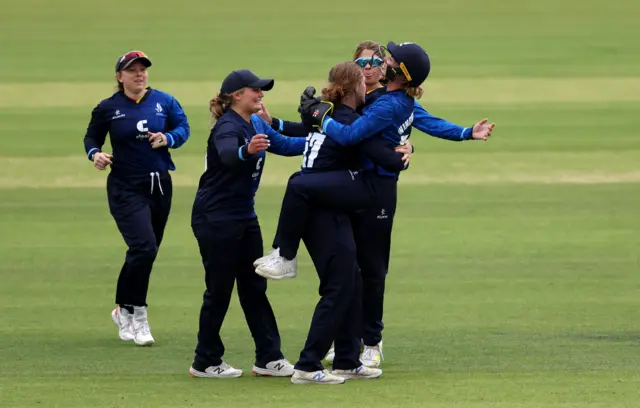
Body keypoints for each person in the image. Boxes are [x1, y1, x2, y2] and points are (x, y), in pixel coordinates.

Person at [265, 62, 407, 384]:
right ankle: (308, 365)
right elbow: (376, 150)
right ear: (356, 89)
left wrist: (273, 125)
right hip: (322, 212)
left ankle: (346, 360)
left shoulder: (325, 118)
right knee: (340, 286)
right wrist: (400, 155)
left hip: (329, 208)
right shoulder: (347, 122)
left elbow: (296, 140)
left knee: (352, 282)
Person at [187, 70, 307, 379]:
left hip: (243, 216)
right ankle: (205, 361)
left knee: (255, 286)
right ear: (237, 95)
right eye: (256, 90)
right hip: (215, 218)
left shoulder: (253, 122)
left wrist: (325, 141)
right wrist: (247, 150)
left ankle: (269, 358)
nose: (261, 95)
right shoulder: (227, 126)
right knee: (219, 290)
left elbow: (286, 145)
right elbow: (228, 155)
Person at [83, 50, 190, 346]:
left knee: (147, 250)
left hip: (159, 185)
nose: (139, 74)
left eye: (143, 70)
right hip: (124, 186)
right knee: (143, 245)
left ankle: (123, 308)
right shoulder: (108, 107)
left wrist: (168, 138)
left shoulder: (164, 101)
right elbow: (91, 138)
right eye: (132, 70)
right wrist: (96, 154)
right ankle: (139, 315)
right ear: (120, 76)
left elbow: (183, 128)